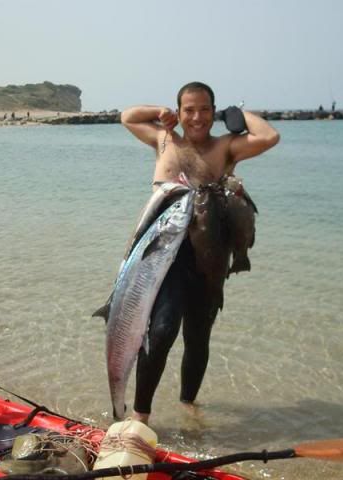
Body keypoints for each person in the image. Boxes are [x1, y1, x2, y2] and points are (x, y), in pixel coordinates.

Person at [119, 81, 279, 424]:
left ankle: (188, 408)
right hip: (164, 256)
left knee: (197, 338)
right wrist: (158, 112)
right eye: (189, 110)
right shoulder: (164, 140)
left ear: (214, 112)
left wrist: (236, 115)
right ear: (178, 112)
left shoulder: (225, 147)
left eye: (205, 109)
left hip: (209, 256)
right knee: (161, 331)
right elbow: (128, 117)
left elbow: (269, 137)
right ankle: (140, 418)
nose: (197, 117)